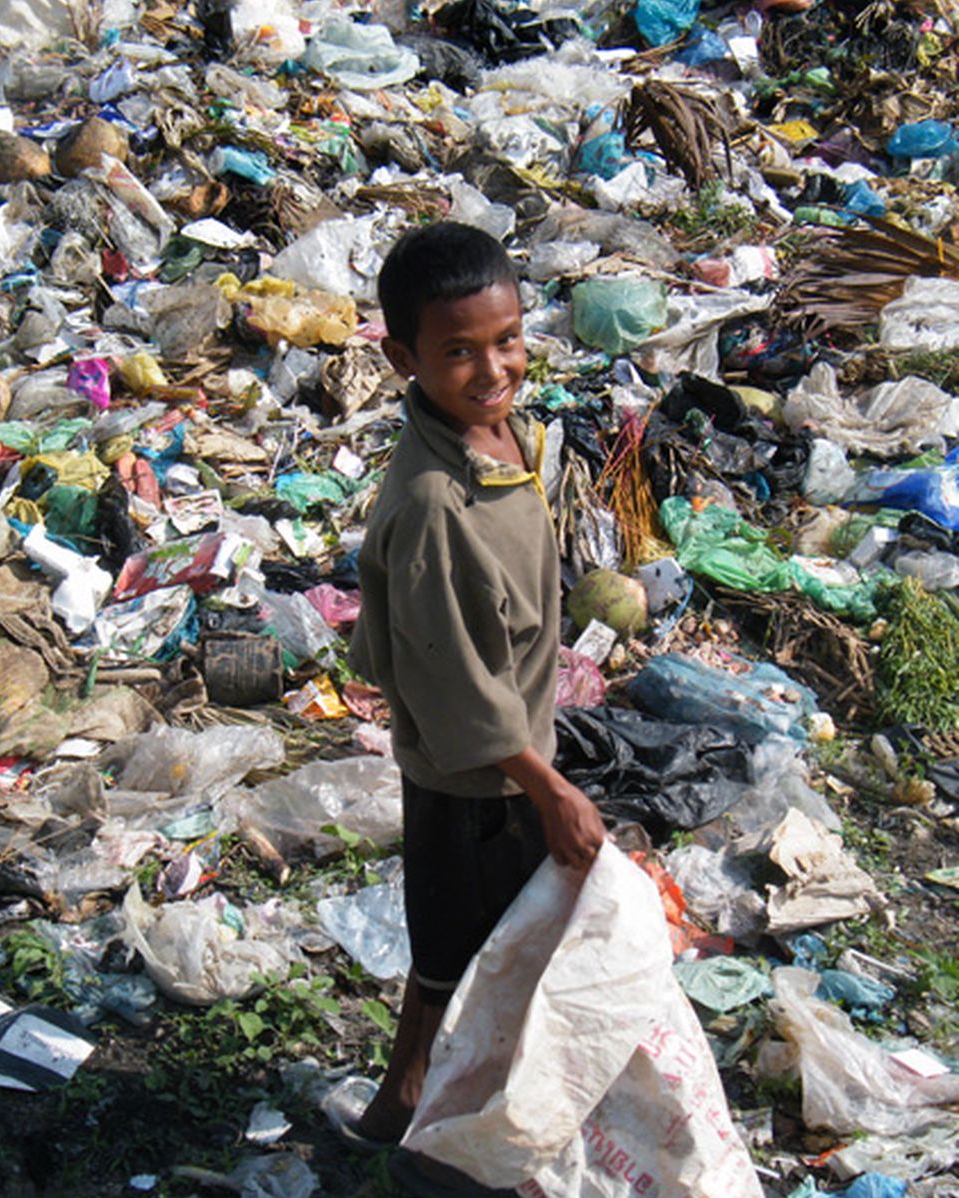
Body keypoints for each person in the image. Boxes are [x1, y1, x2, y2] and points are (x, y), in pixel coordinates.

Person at [343, 221, 607, 1192]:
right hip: (476, 781)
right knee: (487, 963)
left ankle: (399, 1103)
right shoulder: (432, 506)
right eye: (457, 351)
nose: (491, 368)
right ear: (403, 357)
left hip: (497, 759)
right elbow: (459, 691)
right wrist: (551, 792)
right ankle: (456, 1146)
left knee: (451, 953)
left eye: (506, 340)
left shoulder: (495, 435)